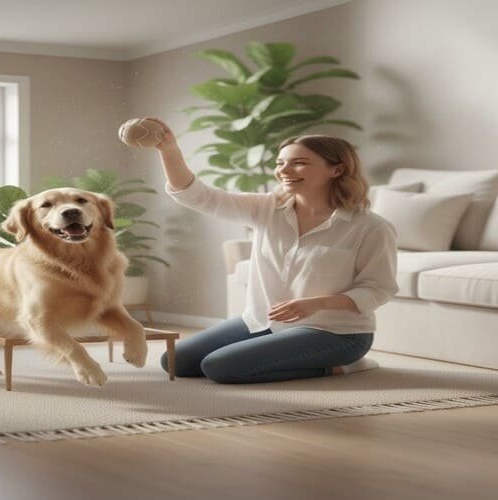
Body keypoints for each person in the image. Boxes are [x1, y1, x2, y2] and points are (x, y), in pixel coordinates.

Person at [150, 117, 399, 384]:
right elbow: (199, 196)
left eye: (299, 162)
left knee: (219, 367)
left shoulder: (371, 227)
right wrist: (168, 149)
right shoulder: (267, 209)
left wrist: (316, 303)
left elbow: (378, 289)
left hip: (335, 333)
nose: (284, 170)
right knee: (175, 361)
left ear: (336, 170)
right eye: (280, 163)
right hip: (263, 323)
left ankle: (343, 366)